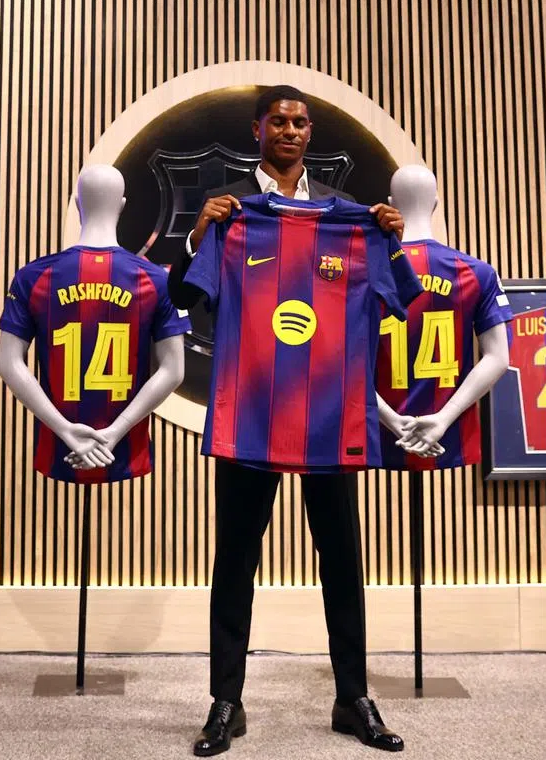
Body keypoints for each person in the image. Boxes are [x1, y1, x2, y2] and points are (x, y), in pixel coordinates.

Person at [168, 85, 409, 756]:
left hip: (329, 416)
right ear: (257, 129)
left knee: (342, 560)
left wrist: (392, 240)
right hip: (251, 414)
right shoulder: (230, 211)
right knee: (235, 561)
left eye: (302, 121)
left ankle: (352, 697)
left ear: (311, 133)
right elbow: (178, 294)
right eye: (280, 120)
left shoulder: (348, 215)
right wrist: (195, 235)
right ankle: (225, 703)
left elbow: (400, 302)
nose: (292, 130)